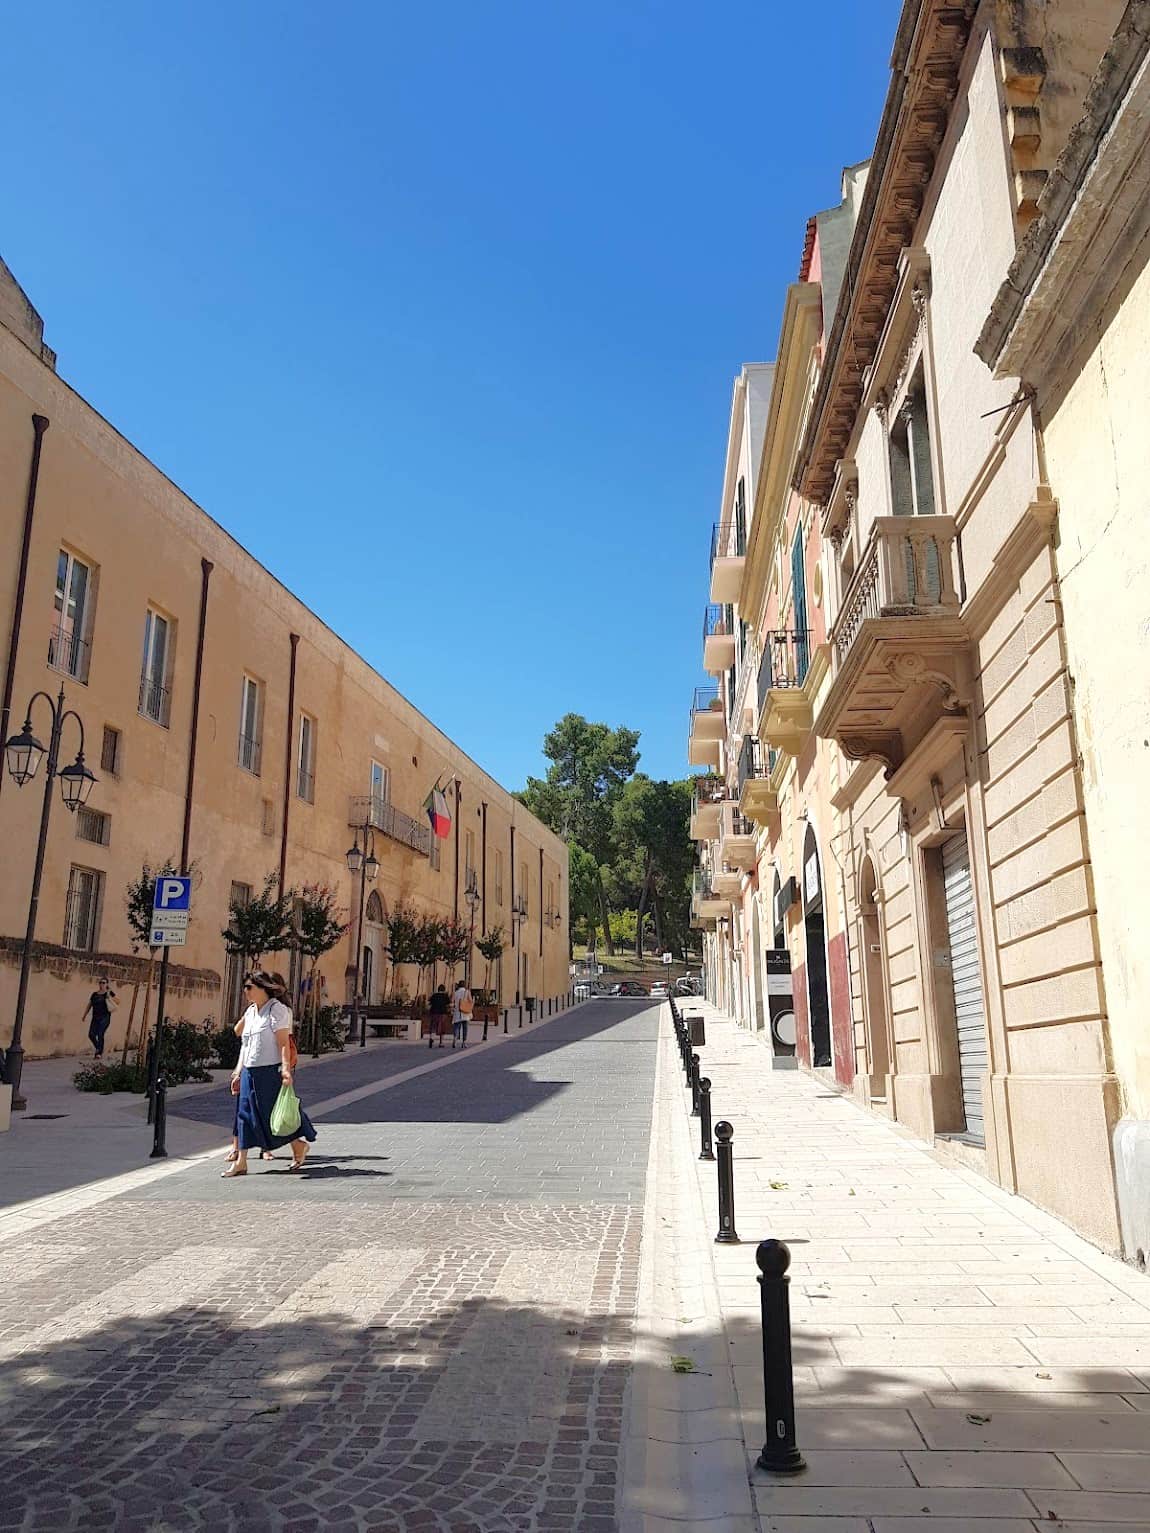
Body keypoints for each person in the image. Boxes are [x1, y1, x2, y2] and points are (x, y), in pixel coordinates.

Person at [222, 970, 316, 1179]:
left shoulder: (277, 1010)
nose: (245, 991)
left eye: (249, 987)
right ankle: (241, 1162)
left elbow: (283, 1043)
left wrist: (285, 1069)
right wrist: (239, 1072)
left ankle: (298, 1145)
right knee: (245, 1115)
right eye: (245, 987)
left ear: (263, 988)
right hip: (249, 1071)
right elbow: (245, 1044)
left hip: (269, 1071)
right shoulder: (251, 1012)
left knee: (273, 1114)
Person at [82, 976, 118, 1059]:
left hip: (105, 1017)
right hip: (95, 1018)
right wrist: (84, 1015)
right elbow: (89, 1005)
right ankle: (99, 1048)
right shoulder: (94, 994)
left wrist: (110, 996)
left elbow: (118, 1002)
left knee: (100, 1033)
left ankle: (99, 1053)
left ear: (106, 984)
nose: (101, 984)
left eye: (103, 983)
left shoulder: (109, 993)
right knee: (91, 1034)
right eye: (100, 982)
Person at [452, 980, 473, 1048]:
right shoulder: (467, 992)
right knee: (465, 1027)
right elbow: (470, 1001)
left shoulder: (455, 992)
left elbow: (452, 1001)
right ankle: (464, 1042)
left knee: (457, 1026)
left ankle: (455, 1039)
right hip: (465, 1012)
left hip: (457, 1012)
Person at [428, 984, 450, 1049]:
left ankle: (431, 1037)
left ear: (438, 989)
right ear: (444, 990)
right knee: (442, 1028)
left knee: (433, 1026)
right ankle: (441, 1043)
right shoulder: (445, 996)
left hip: (434, 1013)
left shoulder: (434, 995)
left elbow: (430, 1003)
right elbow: (448, 1004)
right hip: (442, 1013)